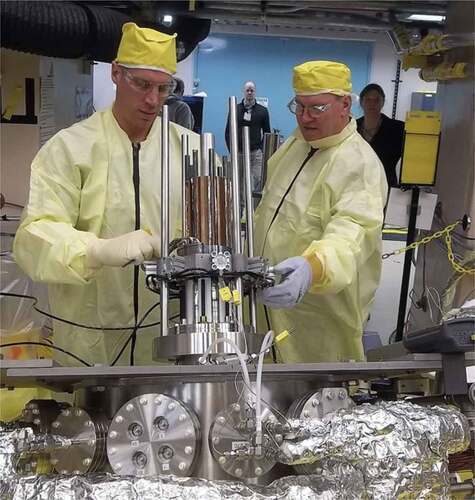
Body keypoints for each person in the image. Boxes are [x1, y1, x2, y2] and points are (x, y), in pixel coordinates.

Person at [13, 23, 200, 367]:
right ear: (116, 73)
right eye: (141, 84)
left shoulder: (192, 150)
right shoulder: (70, 149)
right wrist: (95, 250)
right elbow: (33, 236)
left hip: (168, 339)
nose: (151, 100)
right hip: (87, 340)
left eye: (162, 89)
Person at [254, 61, 388, 363]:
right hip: (267, 310)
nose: (305, 118)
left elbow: (351, 234)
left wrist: (311, 268)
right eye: (299, 107)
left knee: (318, 403)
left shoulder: (358, 164)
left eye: (317, 108)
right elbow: (269, 211)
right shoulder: (296, 146)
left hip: (318, 321)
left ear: (344, 105)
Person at [225, 80, 271, 192]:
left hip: (255, 154)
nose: (249, 92)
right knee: (236, 183)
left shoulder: (263, 111)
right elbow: (228, 131)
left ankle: (248, 206)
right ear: (244, 92)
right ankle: (238, 207)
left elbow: (267, 132)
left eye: (252, 90)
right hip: (238, 153)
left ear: (255, 92)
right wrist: (232, 149)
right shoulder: (235, 109)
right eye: (247, 90)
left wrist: (261, 149)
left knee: (252, 182)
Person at [356, 83, 405, 187]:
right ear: (361, 102)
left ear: (383, 102)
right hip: (356, 187)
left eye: (377, 100)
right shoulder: (352, 128)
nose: (372, 103)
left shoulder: (398, 129)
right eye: (368, 99)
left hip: (385, 186)